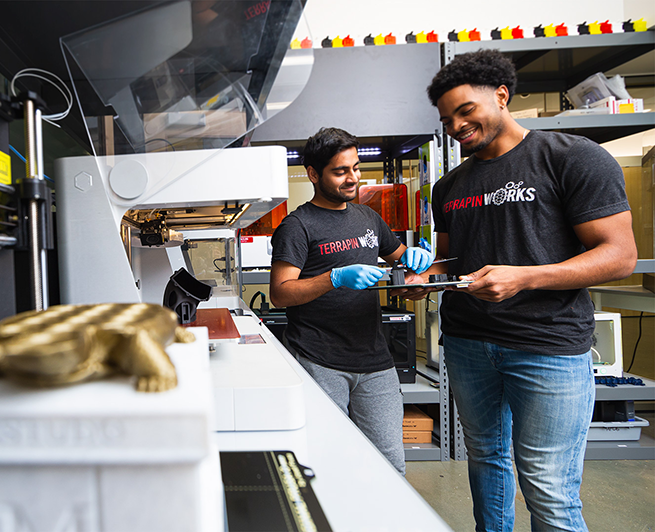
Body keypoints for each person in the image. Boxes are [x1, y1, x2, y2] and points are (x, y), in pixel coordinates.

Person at [415, 49, 637, 531]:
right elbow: (450, 260)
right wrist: (424, 278)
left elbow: (619, 255)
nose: (456, 126)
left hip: (547, 345)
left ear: (501, 95)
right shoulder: (449, 184)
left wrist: (526, 276)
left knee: (548, 488)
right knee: (486, 460)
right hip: (468, 342)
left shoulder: (572, 158)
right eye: (447, 118)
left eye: (466, 111)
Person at [269, 127, 434, 475]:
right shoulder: (298, 226)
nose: (353, 178)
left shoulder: (369, 218)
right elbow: (281, 292)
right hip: (320, 361)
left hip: (376, 361)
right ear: (313, 174)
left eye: (356, 168)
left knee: (391, 467)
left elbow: (404, 269)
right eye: (340, 171)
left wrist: (418, 273)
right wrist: (334, 278)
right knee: (329, 467)